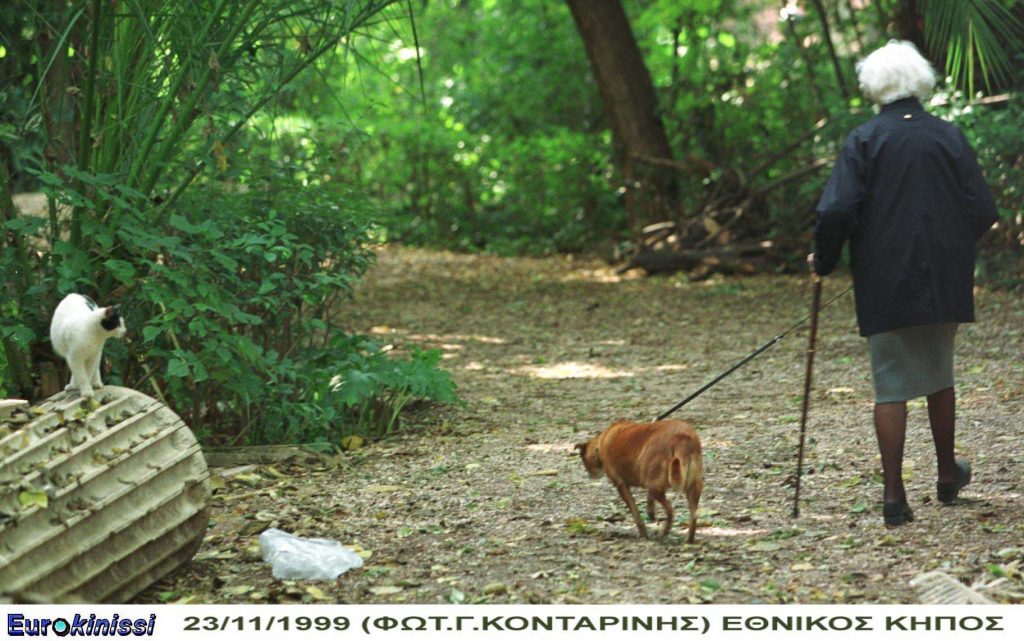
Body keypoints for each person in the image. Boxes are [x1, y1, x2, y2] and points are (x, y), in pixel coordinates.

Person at [809, 40, 999, 526]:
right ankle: (945, 475)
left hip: (885, 280)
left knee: (890, 382)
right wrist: (952, 247)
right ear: (920, 81)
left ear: (875, 86)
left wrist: (825, 260)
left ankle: (895, 496)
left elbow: (835, 210)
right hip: (943, 277)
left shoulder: (866, 140)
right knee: (940, 371)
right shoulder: (948, 136)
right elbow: (982, 210)